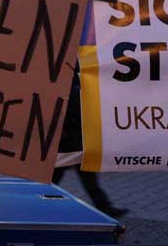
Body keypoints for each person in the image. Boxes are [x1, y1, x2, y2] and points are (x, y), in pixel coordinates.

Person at [53, 67, 129, 219]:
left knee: (87, 181)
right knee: (54, 181)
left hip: (75, 143)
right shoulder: (68, 84)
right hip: (67, 143)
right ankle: (41, 203)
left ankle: (106, 208)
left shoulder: (75, 82)